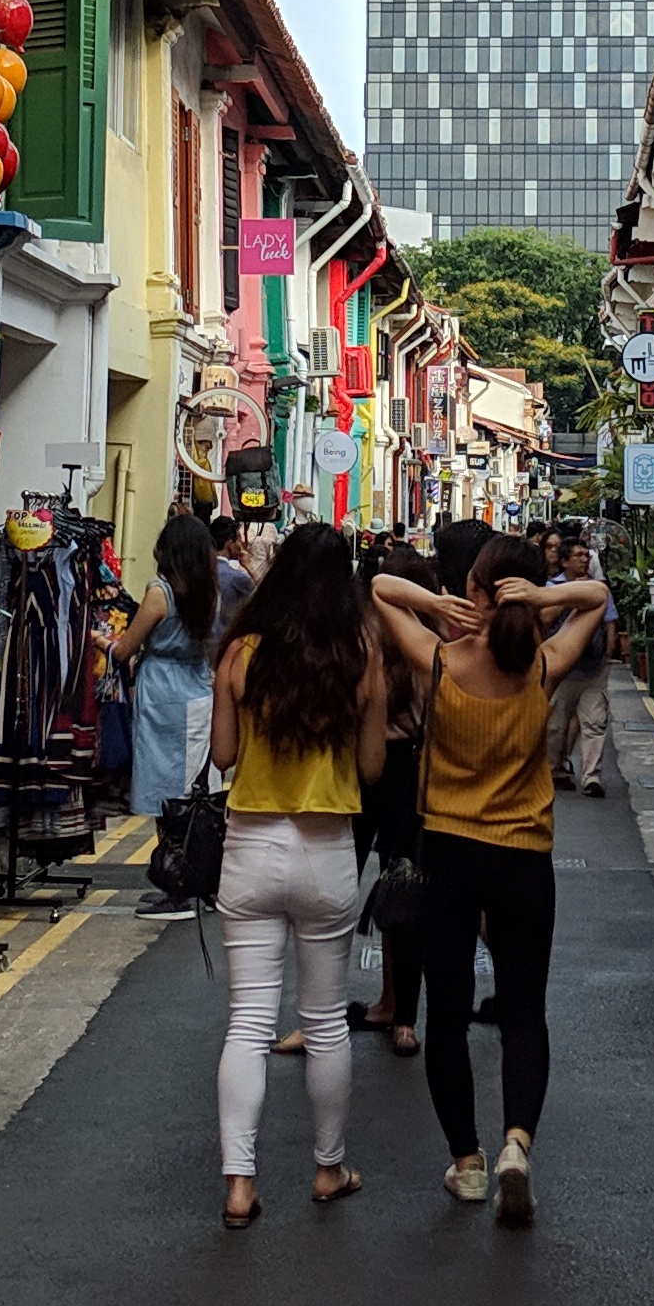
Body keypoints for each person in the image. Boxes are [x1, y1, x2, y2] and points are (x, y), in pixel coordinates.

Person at [370, 540, 609, 1226]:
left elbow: (382, 588)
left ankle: (467, 1163)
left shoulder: (441, 661)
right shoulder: (542, 667)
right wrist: (543, 600)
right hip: (523, 856)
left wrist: (435, 603)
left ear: (473, 589)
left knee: (447, 1014)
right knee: (525, 1012)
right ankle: (516, 1146)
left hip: (449, 852)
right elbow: (596, 595)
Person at [209, 521, 390, 1229]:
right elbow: (372, 768)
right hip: (326, 850)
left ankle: (239, 1184)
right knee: (325, 1021)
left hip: (250, 845)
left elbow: (224, 756)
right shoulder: (361, 654)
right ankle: (328, 1168)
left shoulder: (242, 652)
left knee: (249, 1021)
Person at [353, 540, 437, 1054]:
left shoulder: (363, 638)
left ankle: (318, 1012)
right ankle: (402, 1017)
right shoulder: (431, 643)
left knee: (337, 891)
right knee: (404, 892)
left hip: (362, 770)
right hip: (411, 773)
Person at [118, 510, 227, 825]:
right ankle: (190, 849)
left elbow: (124, 650)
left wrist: (99, 640)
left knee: (163, 791)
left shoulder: (160, 593)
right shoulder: (210, 593)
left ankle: (169, 849)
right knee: (194, 786)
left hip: (160, 691)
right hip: (198, 688)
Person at [543, 526, 615, 796]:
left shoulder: (598, 588)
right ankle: (555, 770)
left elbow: (610, 621)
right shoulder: (551, 589)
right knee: (555, 725)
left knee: (594, 722)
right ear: (564, 562)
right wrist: (570, 594)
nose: (585, 560)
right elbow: (546, 618)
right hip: (563, 670)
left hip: (593, 668)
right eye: (578, 556)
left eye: (586, 555)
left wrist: (608, 655)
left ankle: (591, 777)